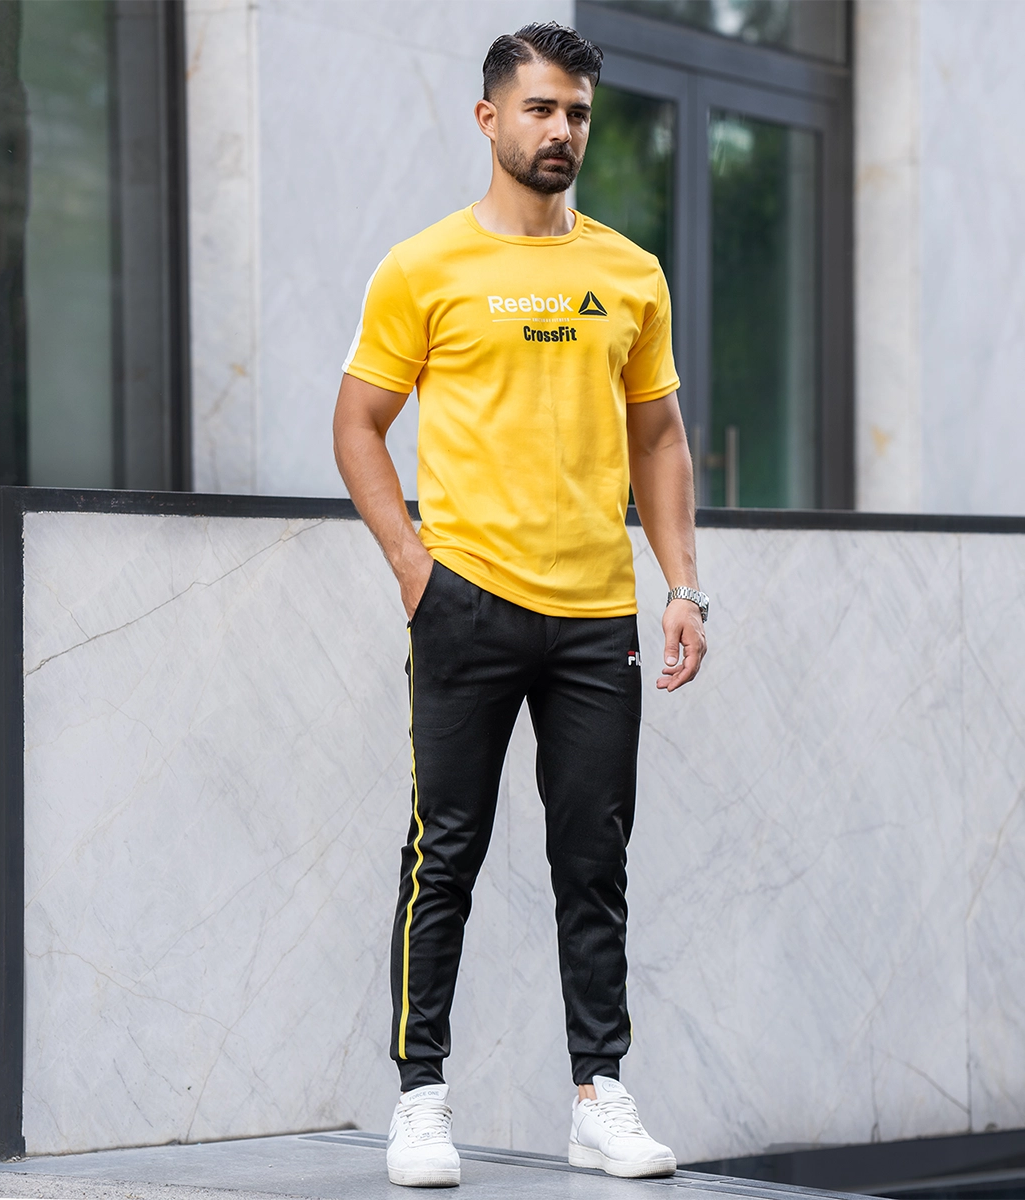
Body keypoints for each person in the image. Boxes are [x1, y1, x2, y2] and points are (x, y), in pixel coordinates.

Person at [332, 21, 709, 1189]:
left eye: (578, 112)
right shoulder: (423, 267)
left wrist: (682, 584)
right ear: (490, 117)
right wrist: (413, 565)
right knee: (443, 854)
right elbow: (358, 423)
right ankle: (419, 1100)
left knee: (593, 860)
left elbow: (660, 438)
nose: (562, 131)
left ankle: (599, 1096)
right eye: (541, 108)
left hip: (596, 618)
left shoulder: (629, 273)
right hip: (468, 607)